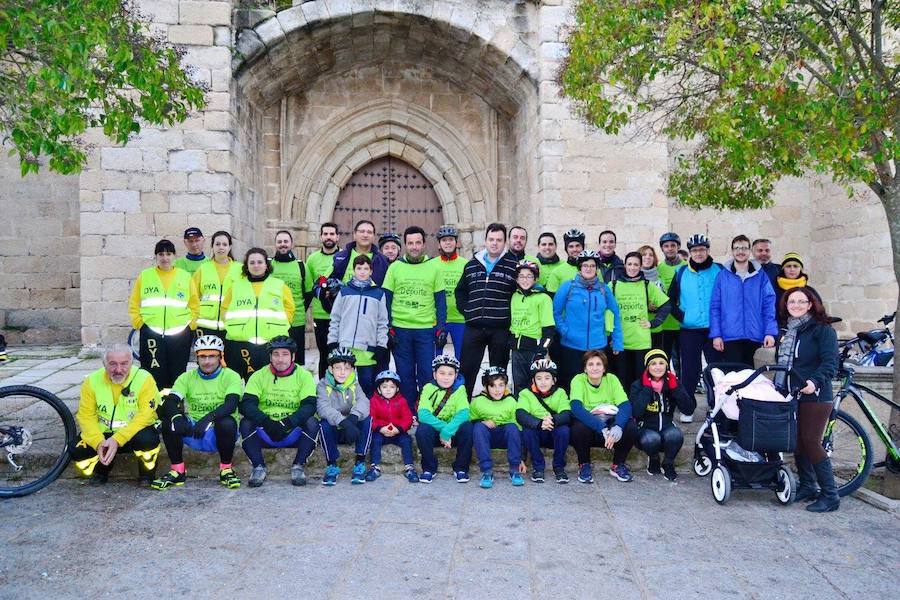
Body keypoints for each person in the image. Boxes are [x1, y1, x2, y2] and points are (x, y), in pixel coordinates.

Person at [776, 287, 839, 512]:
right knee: (798, 442)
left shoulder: (822, 330)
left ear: (811, 304)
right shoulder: (792, 331)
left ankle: (830, 495)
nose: (796, 305)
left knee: (811, 442)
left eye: (801, 301)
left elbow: (830, 363)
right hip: (795, 395)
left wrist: (814, 382)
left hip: (816, 396)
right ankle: (808, 486)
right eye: (791, 302)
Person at [151, 335, 243, 490]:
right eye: (202, 356)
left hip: (219, 432)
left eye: (212, 356)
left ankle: (226, 469)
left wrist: (208, 418)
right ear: (197, 358)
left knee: (226, 422)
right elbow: (171, 401)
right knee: (169, 422)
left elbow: (231, 404)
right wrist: (177, 417)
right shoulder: (187, 377)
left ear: (220, 357)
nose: (207, 361)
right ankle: (177, 471)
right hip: (194, 429)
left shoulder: (230, 376)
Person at [71, 344, 161, 485]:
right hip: (104, 435)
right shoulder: (92, 381)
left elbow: (146, 414)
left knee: (148, 440)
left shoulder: (144, 379)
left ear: (132, 363)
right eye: (113, 364)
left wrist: (117, 439)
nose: (118, 370)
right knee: (76, 450)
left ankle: (147, 474)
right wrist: (98, 442)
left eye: (124, 364)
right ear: (104, 364)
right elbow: (86, 416)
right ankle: (101, 470)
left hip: (133, 434)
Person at [238, 336, 318, 488]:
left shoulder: (304, 375)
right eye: (276, 354)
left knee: (312, 422)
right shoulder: (259, 375)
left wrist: (286, 423)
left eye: (285, 354)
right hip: (265, 430)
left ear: (293, 356)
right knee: (246, 422)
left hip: (292, 430)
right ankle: (258, 467)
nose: (280, 359)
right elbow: (247, 405)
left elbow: (309, 406)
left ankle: (298, 466)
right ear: (270, 356)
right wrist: (267, 422)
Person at [383, 225, 447, 406]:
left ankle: (425, 408)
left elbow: (440, 301)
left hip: (425, 330)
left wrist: (440, 327)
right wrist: (388, 327)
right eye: (410, 243)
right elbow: (386, 300)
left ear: (424, 244)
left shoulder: (434, 268)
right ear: (405, 245)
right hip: (400, 330)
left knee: (427, 372)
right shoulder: (395, 267)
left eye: (418, 243)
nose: (414, 247)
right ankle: (409, 409)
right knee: (405, 373)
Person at [455, 222, 518, 397]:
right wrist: (467, 311)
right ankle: (463, 406)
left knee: (498, 372)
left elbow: (518, 295)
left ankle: (497, 409)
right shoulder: (472, 265)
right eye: (491, 239)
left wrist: (509, 316)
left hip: (500, 328)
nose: (494, 243)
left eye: (499, 240)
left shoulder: (513, 265)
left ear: (505, 242)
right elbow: (460, 291)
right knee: (467, 369)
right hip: (474, 328)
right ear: (485, 240)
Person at [128, 239, 198, 389]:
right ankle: (155, 407)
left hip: (179, 333)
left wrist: (190, 325)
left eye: (168, 254)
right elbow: (134, 302)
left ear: (174, 256)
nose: (165, 258)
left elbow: (194, 303)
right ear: (156, 256)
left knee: (177, 373)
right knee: (153, 372)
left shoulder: (184, 276)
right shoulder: (145, 276)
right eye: (161, 254)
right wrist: (139, 323)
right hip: (152, 332)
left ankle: (175, 407)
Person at [666, 234, 723, 421]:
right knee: (690, 370)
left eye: (702, 249)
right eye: (694, 250)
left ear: (708, 250)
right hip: (689, 330)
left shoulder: (720, 271)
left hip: (714, 330)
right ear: (689, 252)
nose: (698, 253)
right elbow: (670, 300)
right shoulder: (681, 272)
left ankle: (717, 406)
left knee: (716, 369)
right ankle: (688, 407)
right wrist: (683, 316)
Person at [552, 250, 623, 391]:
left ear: (597, 268)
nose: (588, 269)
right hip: (571, 345)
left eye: (592, 266)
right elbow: (556, 313)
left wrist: (617, 341)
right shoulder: (568, 286)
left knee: (595, 381)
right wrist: (565, 331)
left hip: (597, 345)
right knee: (571, 381)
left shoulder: (604, 289)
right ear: (579, 268)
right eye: (585, 265)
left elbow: (615, 314)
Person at [222, 247, 295, 381]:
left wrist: (283, 326)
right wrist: (231, 327)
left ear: (266, 265)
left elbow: (290, 309)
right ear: (246, 266)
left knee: (268, 382)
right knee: (235, 382)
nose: (256, 266)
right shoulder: (236, 286)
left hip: (270, 343)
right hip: (239, 342)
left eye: (260, 262)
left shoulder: (279, 285)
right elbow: (225, 309)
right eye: (252, 262)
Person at [569, 350, 637, 484]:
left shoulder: (611, 379)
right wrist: (601, 428)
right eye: (590, 364)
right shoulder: (578, 380)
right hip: (592, 427)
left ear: (604, 367)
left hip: (610, 430)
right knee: (577, 428)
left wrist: (618, 426)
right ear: (585, 368)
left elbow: (625, 405)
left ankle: (617, 465)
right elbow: (576, 408)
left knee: (630, 427)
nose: (595, 368)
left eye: (598, 364)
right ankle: (584, 465)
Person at [709, 234, 777, 367]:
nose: (740, 251)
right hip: (730, 335)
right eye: (737, 248)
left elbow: (768, 305)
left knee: (750, 376)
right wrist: (716, 335)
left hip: (754, 334)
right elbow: (715, 307)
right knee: (733, 375)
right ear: (732, 251)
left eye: (744, 248)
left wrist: (769, 332)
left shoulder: (760, 276)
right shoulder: (723, 276)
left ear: (750, 251)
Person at [327, 254, 389, 398]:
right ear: (354, 270)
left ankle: (366, 416)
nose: (362, 271)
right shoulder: (344, 292)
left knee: (366, 385)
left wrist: (381, 344)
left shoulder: (378, 294)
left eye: (366, 268)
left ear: (371, 271)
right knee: (345, 385)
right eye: (359, 268)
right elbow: (335, 318)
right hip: (345, 348)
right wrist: (332, 341)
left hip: (367, 350)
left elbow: (382, 322)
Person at [629, 349, 695, 481]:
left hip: (666, 426)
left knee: (675, 435)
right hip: (646, 428)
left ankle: (668, 463)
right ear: (647, 367)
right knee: (651, 439)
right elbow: (635, 412)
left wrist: (675, 389)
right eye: (653, 363)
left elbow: (688, 409)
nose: (658, 367)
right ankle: (653, 459)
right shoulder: (638, 385)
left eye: (661, 363)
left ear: (666, 366)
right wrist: (647, 389)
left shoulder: (672, 383)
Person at [611, 252, 671, 389]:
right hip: (620, 342)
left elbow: (666, 305)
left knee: (640, 380)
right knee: (621, 380)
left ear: (640, 266)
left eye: (636, 264)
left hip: (641, 342)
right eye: (630, 264)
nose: (632, 268)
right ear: (625, 265)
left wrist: (654, 322)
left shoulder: (646, 285)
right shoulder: (613, 285)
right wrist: (610, 335)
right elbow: (605, 311)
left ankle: (639, 409)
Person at [316, 347, 372, 485]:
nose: (342, 372)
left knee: (367, 420)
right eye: (338, 368)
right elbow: (323, 408)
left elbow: (364, 402)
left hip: (352, 429)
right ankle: (332, 465)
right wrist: (344, 422)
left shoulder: (354, 384)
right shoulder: (323, 385)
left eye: (346, 368)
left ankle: (360, 461)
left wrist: (353, 418)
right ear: (330, 369)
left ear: (352, 370)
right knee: (323, 424)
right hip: (336, 428)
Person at [415, 354, 474, 483]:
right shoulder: (428, 388)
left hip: (453, 433)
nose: (446, 378)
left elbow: (463, 413)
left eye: (450, 374)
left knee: (468, 427)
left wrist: (448, 432)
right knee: (422, 430)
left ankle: (461, 468)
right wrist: (444, 430)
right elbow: (423, 415)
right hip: (437, 433)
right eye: (442, 373)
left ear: (455, 375)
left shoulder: (460, 389)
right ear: (435, 374)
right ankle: (429, 468)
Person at [516, 358, 571, 483]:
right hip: (537, 432)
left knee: (564, 430)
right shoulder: (525, 393)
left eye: (547, 378)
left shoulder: (560, 393)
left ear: (554, 380)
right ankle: (538, 466)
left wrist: (551, 421)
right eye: (539, 378)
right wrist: (540, 423)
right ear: (533, 380)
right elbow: (521, 414)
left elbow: (567, 414)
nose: (543, 382)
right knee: (527, 431)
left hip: (553, 432)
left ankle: (559, 467)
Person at [470, 367, 524, 488]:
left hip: (506, 438)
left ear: (506, 385)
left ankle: (514, 470)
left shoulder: (512, 401)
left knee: (512, 427)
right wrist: (482, 421)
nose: (497, 390)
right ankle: (487, 471)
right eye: (492, 386)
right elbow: (469, 420)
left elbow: (520, 429)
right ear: (486, 387)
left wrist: (522, 458)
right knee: (478, 427)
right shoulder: (478, 401)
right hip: (486, 438)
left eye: (501, 385)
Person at [508, 260, 555, 393]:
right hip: (517, 348)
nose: (525, 280)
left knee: (534, 384)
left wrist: (542, 350)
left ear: (535, 278)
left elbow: (549, 330)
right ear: (516, 279)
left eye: (529, 276)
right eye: (521, 276)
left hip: (534, 348)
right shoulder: (514, 296)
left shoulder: (543, 298)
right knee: (518, 383)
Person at [365, 370, 419, 483]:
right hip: (381, 431)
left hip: (398, 431)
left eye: (392, 387)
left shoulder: (402, 401)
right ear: (379, 389)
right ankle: (374, 467)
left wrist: (399, 429)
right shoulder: (374, 401)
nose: (388, 389)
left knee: (406, 440)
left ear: (397, 389)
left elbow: (407, 418)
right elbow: (371, 418)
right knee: (375, 440)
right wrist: (380, 428)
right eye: (384, 387)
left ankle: (409, 467)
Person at [270, 230, 310, 366]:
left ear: (292, 244)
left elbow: (308, 293)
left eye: (286, 241)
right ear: (275, 244)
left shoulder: (301, 266)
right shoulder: (268, 265)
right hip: (272, 321)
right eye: (279, 241)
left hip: (296, 321)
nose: (283, 245)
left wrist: (298, 309)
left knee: (296, 362)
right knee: (274, 360)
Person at [193, 230, 242, 340]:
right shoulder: (203, 269)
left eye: (224, 244)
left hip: (232, 325)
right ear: (212, 247)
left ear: (229, 247)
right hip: (205, 326)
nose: (221, 247)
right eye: (217, 244)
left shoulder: (240, 270)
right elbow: (193, 297)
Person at [306, 222, 340, 378]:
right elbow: (309, 287)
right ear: (321, 237)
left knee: (340, 356)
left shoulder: (344, 257)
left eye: (332, 234)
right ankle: (323, 391)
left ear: (337, 237)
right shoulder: (312, 260)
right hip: (321, 316)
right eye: (325, 234)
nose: (329, 237)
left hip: (341, 317)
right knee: (324, 355)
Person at [433, 225, 467, 360]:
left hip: (460, 318)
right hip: (437, 319)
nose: (448, 243)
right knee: (436, 356)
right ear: (439, 243)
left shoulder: (465, 264)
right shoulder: (432, 264)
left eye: (451, 239)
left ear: (456, 242)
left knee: (462, 356)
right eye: (444, 240)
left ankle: (461, 381)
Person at [655, 232, 687, 366]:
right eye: (666, 246)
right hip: (665, 323)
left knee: (682, 360)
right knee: (664, 358)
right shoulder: (658, 268)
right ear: (662, 248)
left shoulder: (686, 267)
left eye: (673, 245)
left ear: (678, 247)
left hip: (682, 321)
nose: (669, 248)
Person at [329, 219, 390, 285]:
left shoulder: (382, 260)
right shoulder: (340, 257)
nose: (365, 235)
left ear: (374, 237)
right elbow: (324, 280)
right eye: (362, 231)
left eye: (369, 232)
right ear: (354, 234)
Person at [546, 228, 584, 293]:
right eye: (571, 246)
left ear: (582, 247)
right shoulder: (557, 272)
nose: (575, 249)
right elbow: (552, 299)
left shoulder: (592, 269)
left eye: (578, 246)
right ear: (566, 249)